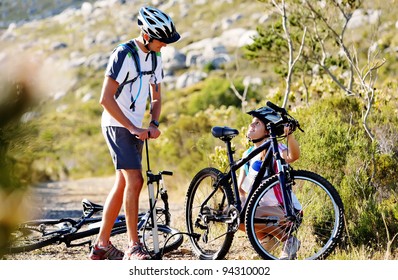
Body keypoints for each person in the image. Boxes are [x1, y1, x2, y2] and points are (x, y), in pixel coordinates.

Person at [89, 6, 180, 260]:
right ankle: (133, 246)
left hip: (136, 127)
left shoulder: (155, 57)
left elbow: (157, 96)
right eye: (163, 40)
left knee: (123, 183)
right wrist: (132, 127)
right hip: (116, 124)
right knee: (136, 181)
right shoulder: (124, 54)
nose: (166, 45)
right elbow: (105, 99)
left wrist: (154, 122)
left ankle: (101, 245)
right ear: (149, 36)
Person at [237, 105, 301, 260]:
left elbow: (293, 156)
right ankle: (268, 239)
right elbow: (241, 189)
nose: (252, 125)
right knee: (237, 216)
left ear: (267, 131)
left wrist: (289, 136)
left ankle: (289, 241)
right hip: (264, 212)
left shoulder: (275, 148)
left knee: (244, 214)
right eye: (251, 122)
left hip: (287, 211)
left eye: (257, 123)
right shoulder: (247, 155)